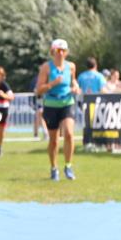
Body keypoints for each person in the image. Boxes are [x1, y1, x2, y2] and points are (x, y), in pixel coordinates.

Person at [35, 39, 81, 181]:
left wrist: (75, 87)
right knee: (54, 140)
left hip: (67, 102)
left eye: (63, 51)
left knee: (69, 134)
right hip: (51, 104)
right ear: (53, 51)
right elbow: (38, 90)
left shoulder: (71, 66)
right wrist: (52, 83)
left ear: (66, 52)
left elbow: (74, 81)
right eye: (58, 50)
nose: (61, 53)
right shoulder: (46, 68)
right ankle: (54, 168)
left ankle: (68, 166)